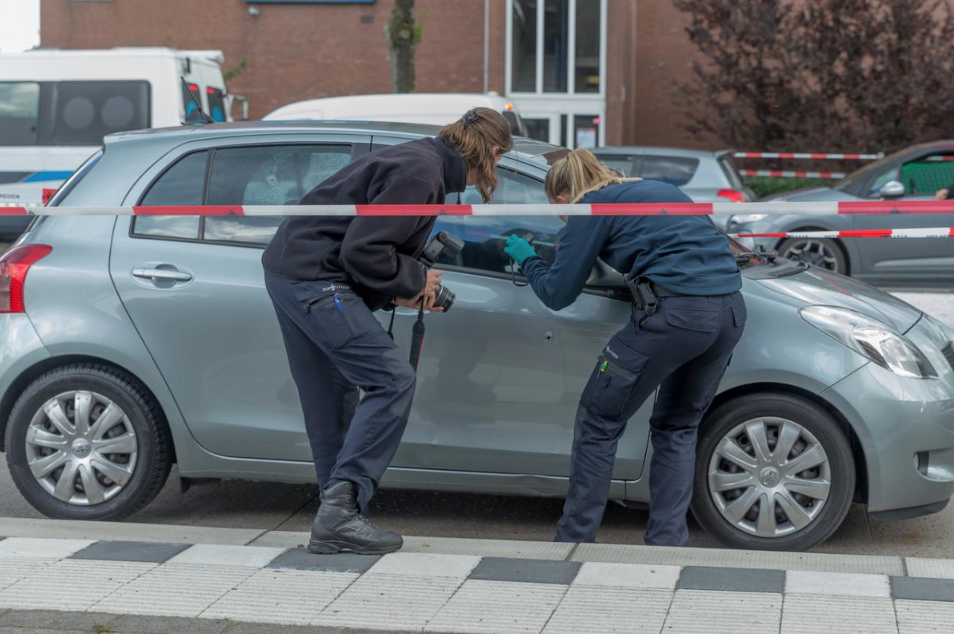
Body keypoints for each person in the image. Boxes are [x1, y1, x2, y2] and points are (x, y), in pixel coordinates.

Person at [262, 108, 514, 555]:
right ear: (492, 151)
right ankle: (340, 515)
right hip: (314, 279)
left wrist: (400, 290)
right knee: (392, 379)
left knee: (330, 396)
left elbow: (359, 242)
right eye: (499, 161)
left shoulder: (421, 160)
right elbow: (364, 249)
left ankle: (337, 520)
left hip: (292, 272)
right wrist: (415, 280)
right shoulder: (421, 174)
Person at [503, 149, 747, 547]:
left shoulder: (588, 207)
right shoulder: (657, 190)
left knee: (598, 421)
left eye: (558, 211)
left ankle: (574, 540)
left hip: (675, 317)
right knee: (677, 427)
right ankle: (667, 545)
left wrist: (529, 259)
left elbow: (557, 293)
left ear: (562, 198)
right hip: (730, 314)